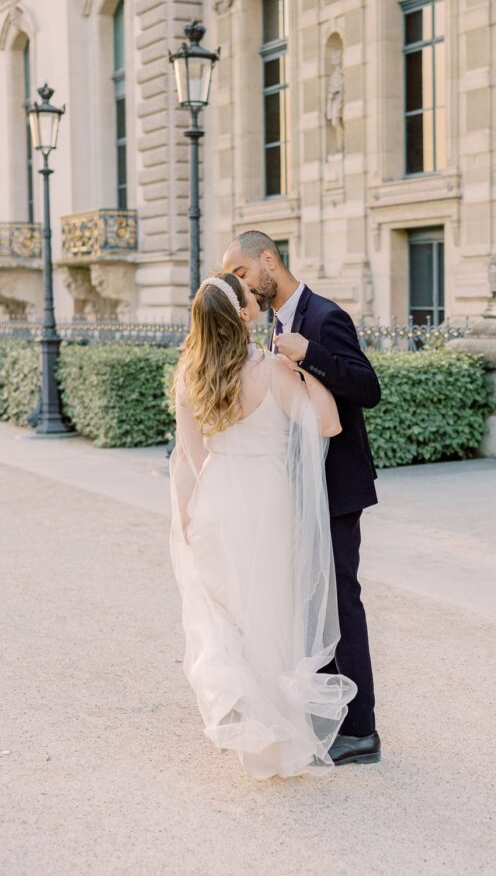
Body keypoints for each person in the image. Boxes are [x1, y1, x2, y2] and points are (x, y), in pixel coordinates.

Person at [169, 272, 357, 780]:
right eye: (250, 297)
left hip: (217, 501)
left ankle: (251, 725)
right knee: (271, 614)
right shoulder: (273, 369)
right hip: (268, 502)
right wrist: (306, 366)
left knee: (228, 617)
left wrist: (188, 513)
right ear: (244, 315)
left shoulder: (190, 373)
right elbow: (328, 424)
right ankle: (276, 733)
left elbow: (191, 458)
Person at [222, 230, 382, 766]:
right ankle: (326, 711)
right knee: (311, 601)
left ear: (269, 260)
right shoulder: (276, 322)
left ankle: (361, 730)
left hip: (336, 489)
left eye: (241, 273)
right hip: (297, 488)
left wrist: (310, 353)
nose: (239, 284)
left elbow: (367, 387)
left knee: (341, 599)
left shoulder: (323, 316)